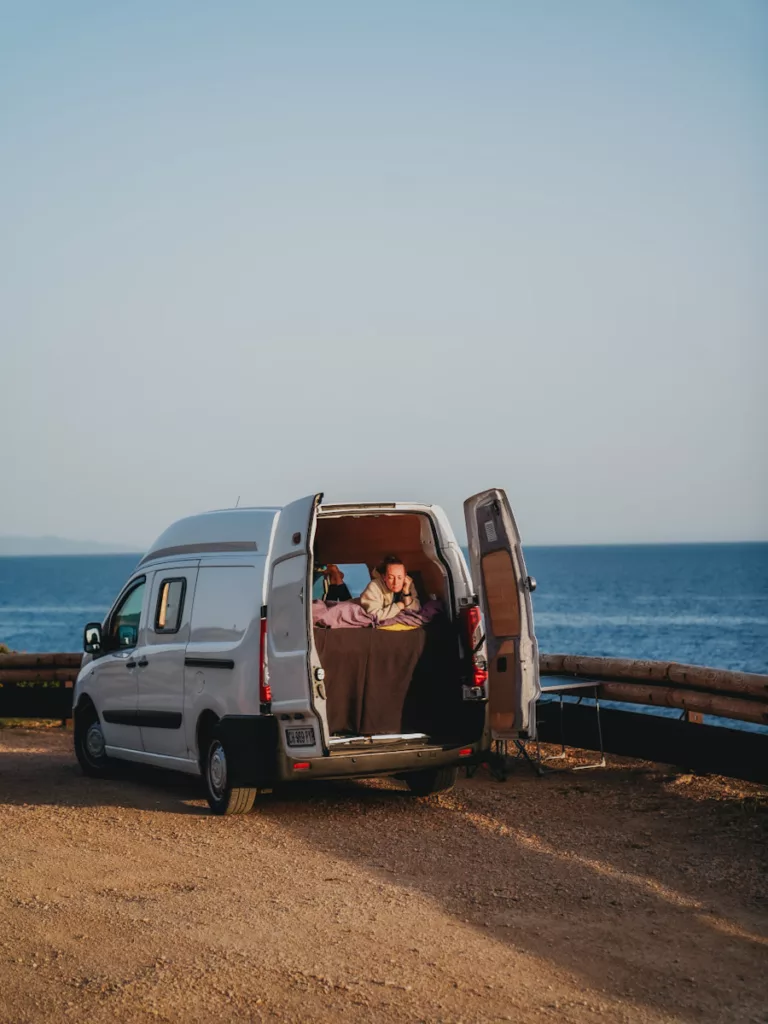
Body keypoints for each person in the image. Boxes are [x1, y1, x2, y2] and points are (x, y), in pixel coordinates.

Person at [360, 555, 421, 622]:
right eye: (391, 578)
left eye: (400, 577)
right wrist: (398, 606)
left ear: (405, 576)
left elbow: (415, 610)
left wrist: (406, 593)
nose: (396, 582)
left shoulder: (408, 584)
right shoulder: (374, 586)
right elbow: (374, 615)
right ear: (384, 577)